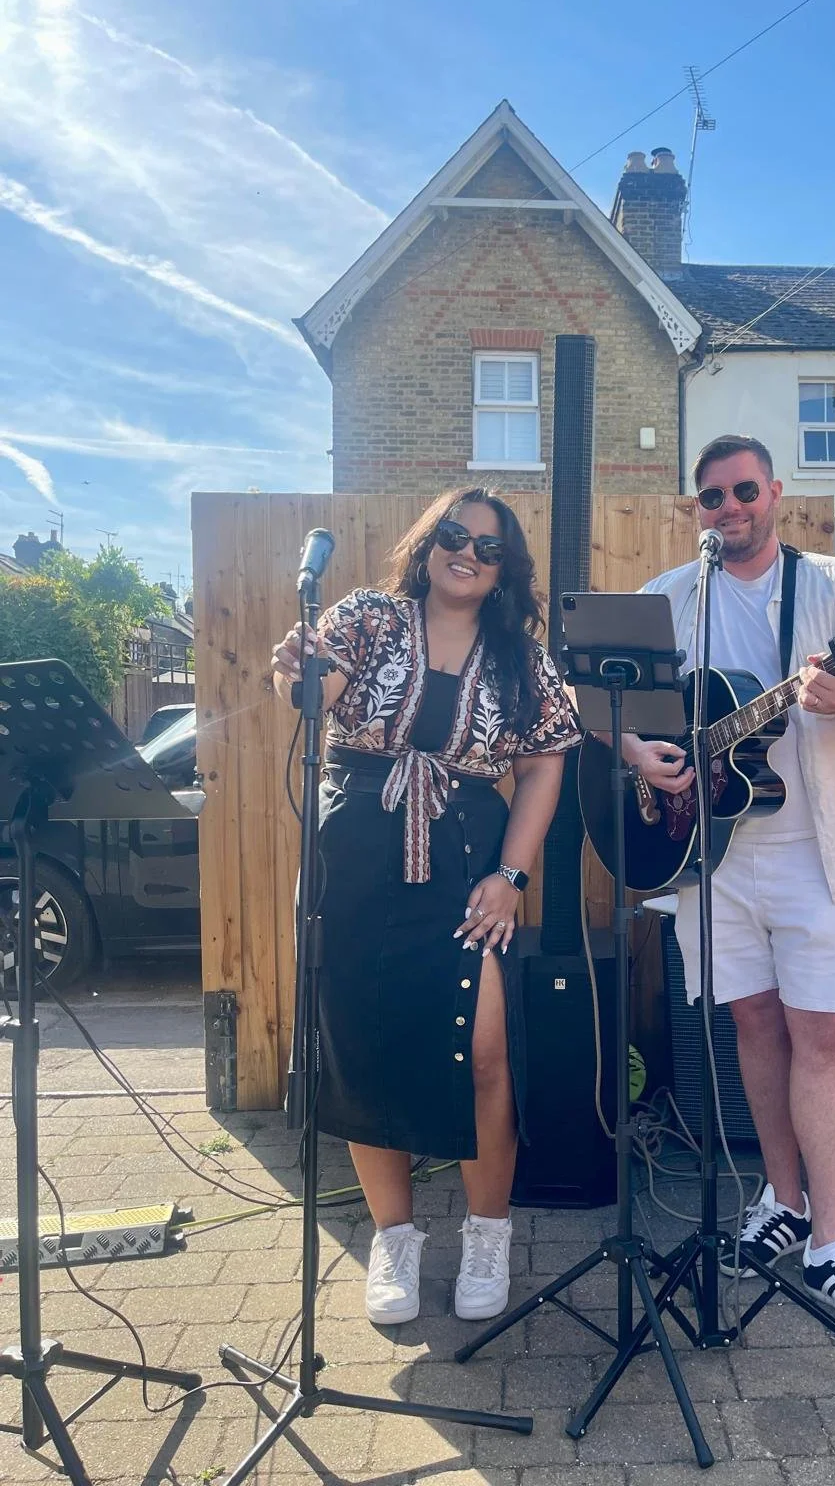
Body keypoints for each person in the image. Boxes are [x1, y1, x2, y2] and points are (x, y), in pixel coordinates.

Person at [270, 487, 581, 1328]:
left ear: (505, 569)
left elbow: (548, 762)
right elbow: (311, 689)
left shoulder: (522, 658)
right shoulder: (368, 616)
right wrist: (296, 669)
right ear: (428, 540)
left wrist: (512, 876)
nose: (468, 552)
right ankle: (395, 1240)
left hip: (469, 858)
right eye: (455, 535)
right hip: (360, 855)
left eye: (489, 547)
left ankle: (487, 1231)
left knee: (482, 1052)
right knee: (365, 1050)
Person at [625, 435, 835, 1343]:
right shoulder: (671, 597)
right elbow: (598, 699)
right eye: (711, 497)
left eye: (744, 490)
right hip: (708, 856)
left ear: (775, 493)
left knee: (823, 1034)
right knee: (751, 1023)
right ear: (695, 510)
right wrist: (637, 751)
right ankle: (779, 1202)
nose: (730, 507)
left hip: (818, 851)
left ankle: (832, 1244)